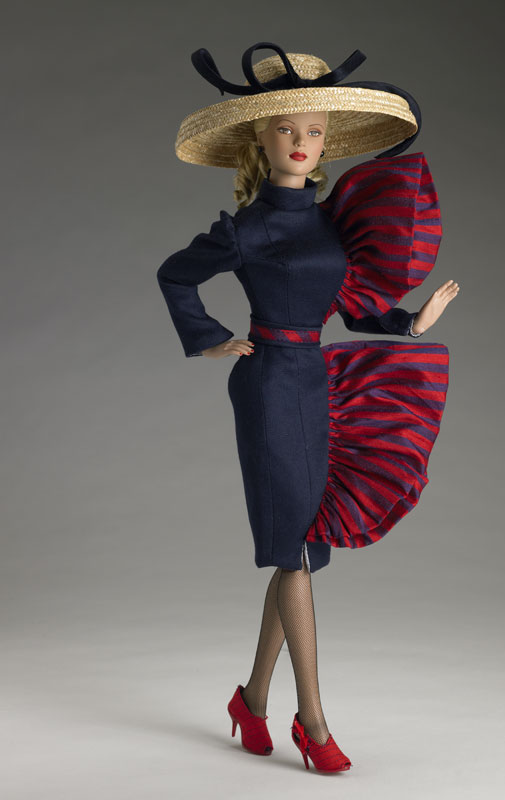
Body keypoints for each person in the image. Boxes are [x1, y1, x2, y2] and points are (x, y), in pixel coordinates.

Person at [156, 41, 459, 773]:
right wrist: (210, 339)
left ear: (326, 142)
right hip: (266, 384)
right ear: (260, 139)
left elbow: (353, 308)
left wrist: (410, 323)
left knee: (302, 546)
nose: (301, 142)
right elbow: (175, 274)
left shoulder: (330, 223)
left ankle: (251, 700)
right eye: (286, 129)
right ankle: (313, 722)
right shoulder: (247, 227)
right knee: (292, 550)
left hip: (317, 382)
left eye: (314, 130)